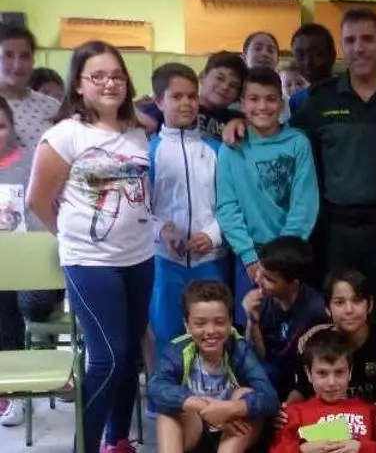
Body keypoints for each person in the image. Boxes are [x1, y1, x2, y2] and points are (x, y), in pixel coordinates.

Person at [26, 40, 154, 453]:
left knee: (129, 354)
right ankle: (85, 444)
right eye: (97, 76)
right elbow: (37, 201)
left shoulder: (137, 131)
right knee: (107, 358)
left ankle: (117, 441)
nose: (109, 83)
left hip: (140, 257)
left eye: (117, 75)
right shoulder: (64, 134)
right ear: (79, 85)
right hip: (89, 262)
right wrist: (69, 237)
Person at [292, 8, 376, 338]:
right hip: (335, 231)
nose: (359, 48)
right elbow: (286, 143)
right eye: (350, 40)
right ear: (342, 47)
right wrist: (240, 126)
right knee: (338, 316)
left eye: (367, 39)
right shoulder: (320, 100)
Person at [216, 67, 319, 326]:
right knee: (251, 326)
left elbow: (305, 204)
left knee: (295, 329)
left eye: (271, 99)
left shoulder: (297, 143)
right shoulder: (231, 148)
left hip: (290, 254)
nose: (262, 106)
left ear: (281, 103)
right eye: (254, 99)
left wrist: (282, 258)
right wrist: (250, 256)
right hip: (249, 256)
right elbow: (227, 207)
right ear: (242, 103)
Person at [147, 63, 229, 365]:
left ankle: (213, 391)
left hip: (212, 260)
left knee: (214, 336)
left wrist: (212, 235)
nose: (186, 103)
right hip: (165, 262)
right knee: (167, 335)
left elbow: (231, 205)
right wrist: (162, 232)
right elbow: (139, 210)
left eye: (192, 96)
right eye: (176, 96)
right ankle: (165, 393)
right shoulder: (147, 152)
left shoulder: (217, 150)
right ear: (159, 101)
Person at [148, 280, 279, 453]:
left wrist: (229, 409)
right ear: (187, 325)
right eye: (200, 323)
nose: (210, 331)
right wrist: (203, 407)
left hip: (233, 431)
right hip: (195, 430)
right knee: (168, 414)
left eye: (219, 322)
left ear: (230, 322)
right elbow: (156, 387)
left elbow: (270, 397)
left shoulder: (239, 348)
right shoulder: (177, 349)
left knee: (245, 394)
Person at [0, 94, 64, 425]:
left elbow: (50, 209)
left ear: (12, 127)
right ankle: (13, 393)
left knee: (33, 302)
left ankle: (44, 358)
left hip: (39, 262)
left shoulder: (32, 162)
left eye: (0, 126)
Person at [271, 329, 376, 453]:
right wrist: (301, 450)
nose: (331, 382)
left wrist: (362, 448)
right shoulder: (295, 413)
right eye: (322, 373)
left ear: (350, 372)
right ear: (309, 374)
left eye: (339, 372)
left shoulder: (371, 412)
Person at [241, 236, 326, 402]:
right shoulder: (262, 299)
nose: (258, 280)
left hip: (302, 384)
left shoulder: (316, 312)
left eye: (268, 279)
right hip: (271, 379)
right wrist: (253, 322)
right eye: (260, 272)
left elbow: (316, 369)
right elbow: (259, 356)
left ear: (293, 284)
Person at [140, 51, 248, 140]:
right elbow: (144, 122)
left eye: (233, 85)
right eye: (220, 78)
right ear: (202, 76)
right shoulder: (175, 106)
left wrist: (239, 121)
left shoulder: (236, 118)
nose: (225, 87)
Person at [0, 24, 60, 150]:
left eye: (25, 56)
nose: (17, 65)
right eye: (8, 55)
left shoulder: (52, 106)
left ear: (33, 60)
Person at [287, 23, 337, 117]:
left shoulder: (351, 96)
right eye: (300, 55)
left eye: (317, 54)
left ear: (332, 55)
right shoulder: (297, 101)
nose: (308, 62)